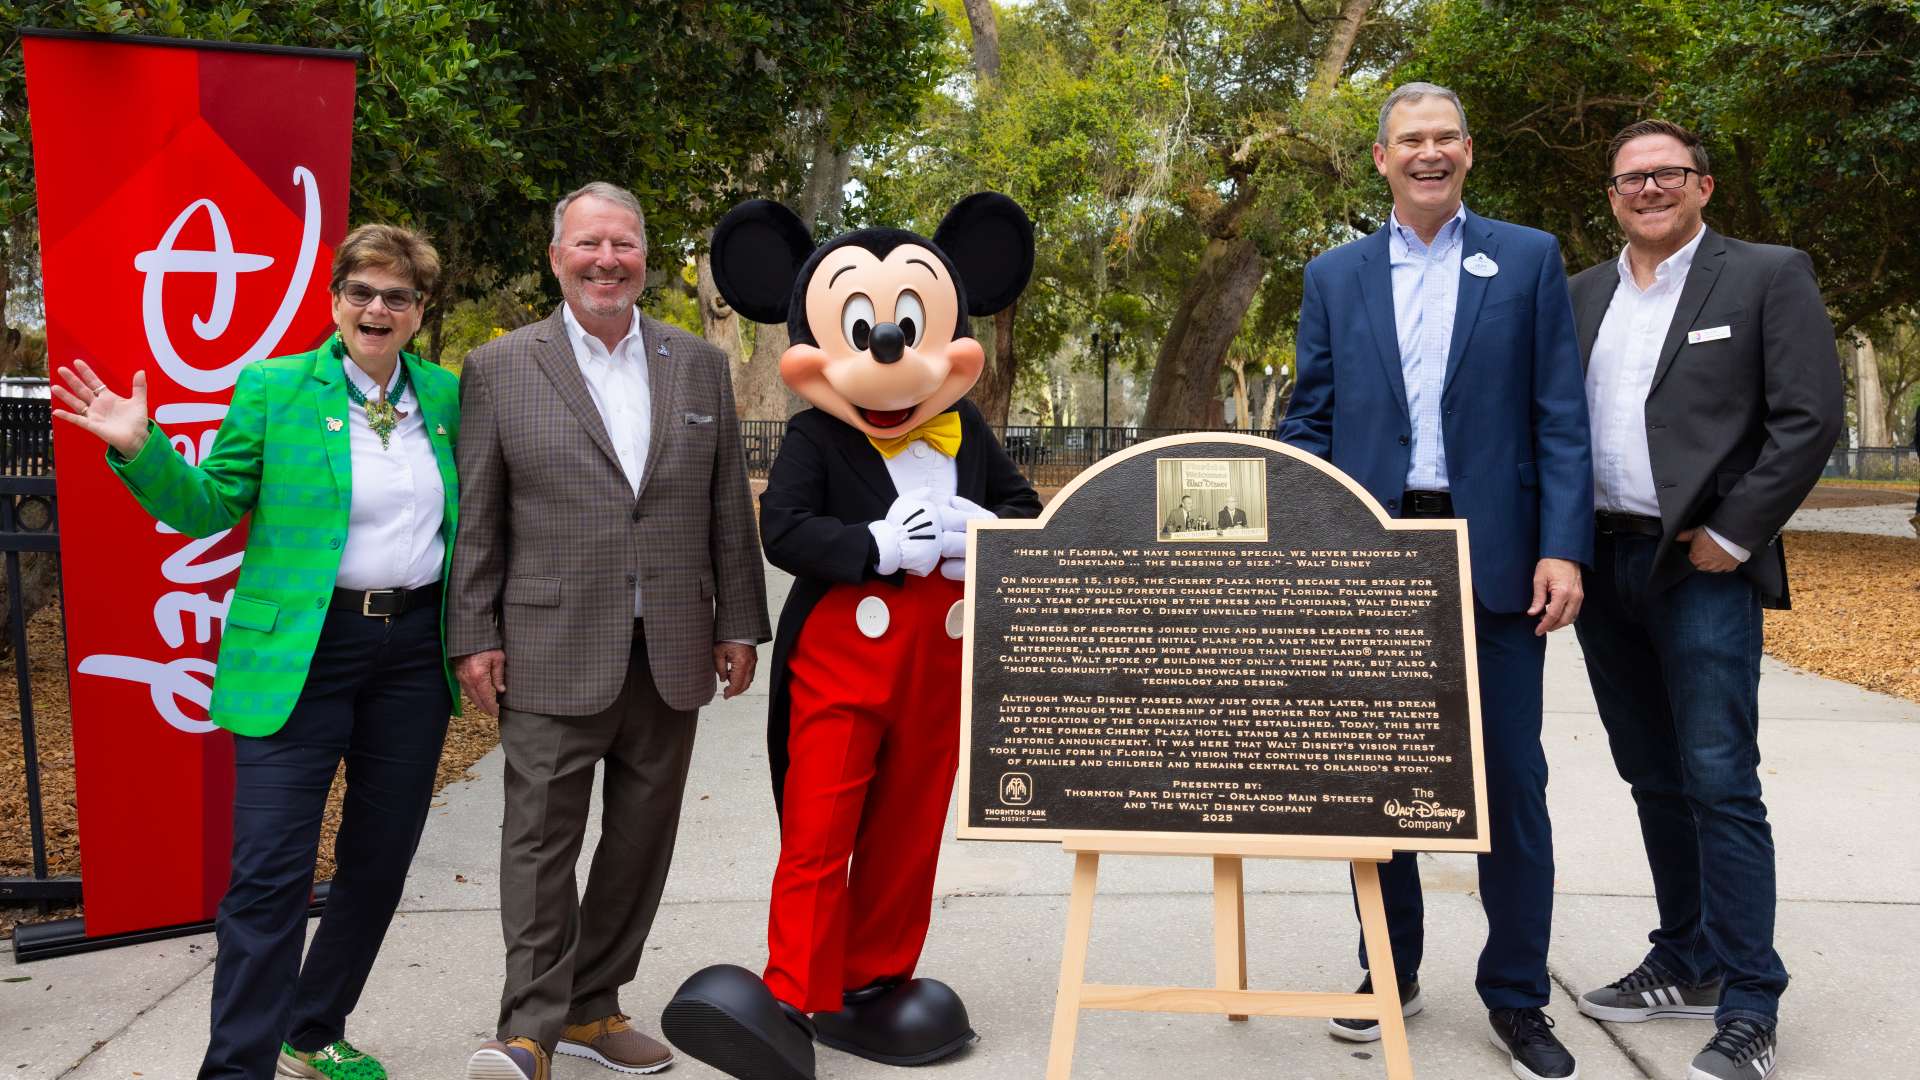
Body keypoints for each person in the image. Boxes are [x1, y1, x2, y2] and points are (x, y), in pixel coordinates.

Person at [53, 225, 457, 1080]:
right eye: (362, 292)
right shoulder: (274, 388)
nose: (376, 309)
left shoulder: (448, 399)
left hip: (415, 654)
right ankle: (237, 1069)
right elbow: (208, 506)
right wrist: (139, 445)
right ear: (335, 302)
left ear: (420, 313)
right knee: (270, 875)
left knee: (380, 862)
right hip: (301, 658)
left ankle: (312, 1030)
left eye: (397, 296)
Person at [1278, 82, 1592, 1080]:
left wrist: (1563, 545)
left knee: (1510, 783)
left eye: (1444, 137)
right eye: (1408, 139)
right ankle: (1387, 970)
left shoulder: (1530, 259)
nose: (1427, 153)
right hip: (1373, 555)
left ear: (1468, 151)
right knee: (1381, 778)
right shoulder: (1334, 275)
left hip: (1495, 552)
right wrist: (1307, 539)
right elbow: (1309, 420)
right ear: (1381, 158)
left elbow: (1560, 417)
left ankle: (1517, 996)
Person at [451, 181, 771, 1080]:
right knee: (541, 841)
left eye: (624, 245)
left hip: (669, 649)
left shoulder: (696, 365)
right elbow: (479, 517)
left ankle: (595, 1007)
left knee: (640, 838)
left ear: (645, 260)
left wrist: (740, 622)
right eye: (589, 244)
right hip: (552, 646)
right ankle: (528, 1028)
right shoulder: (502, 366)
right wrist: (473, 632)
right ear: (557, 257)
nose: (607, 260)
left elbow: (723, 508)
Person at [1567, 120, 1841, 1080]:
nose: (1649, 189)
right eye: (1631, 178)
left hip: (1702, 566)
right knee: (1651, 772)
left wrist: (1736, 532)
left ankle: (1752, 1001)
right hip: (1603, 567)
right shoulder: (1581, 294)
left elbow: (1809, 418)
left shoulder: (1767, 274)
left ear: (1704, 186)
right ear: (1611, 194)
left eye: (1667, 174)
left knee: (1721, 778)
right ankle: (1686, 957)